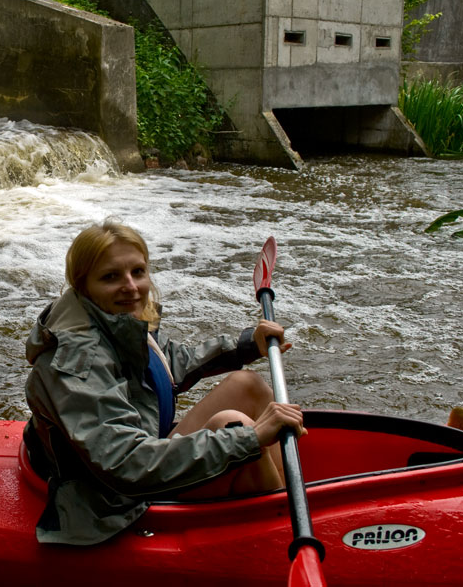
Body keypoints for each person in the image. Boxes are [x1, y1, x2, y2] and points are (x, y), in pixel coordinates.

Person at [23, 220, 306, 545]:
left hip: (138, 455)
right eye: (111, 277)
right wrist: (250, 438)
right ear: (83, 284)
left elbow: (167, 365)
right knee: (233, 425)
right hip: (109, 500)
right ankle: (282, 533)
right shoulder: (78, 359)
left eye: (137, 272)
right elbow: (124, 464)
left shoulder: (113, 318)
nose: (131, 286)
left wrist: (246, 346)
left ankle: (284, 498)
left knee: (248, 385)